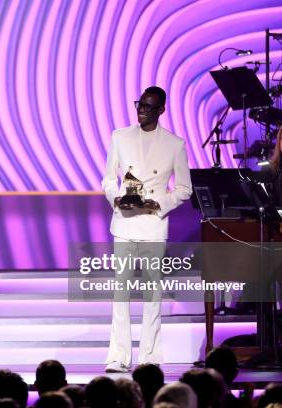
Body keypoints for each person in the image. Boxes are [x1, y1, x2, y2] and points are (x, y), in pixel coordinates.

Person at [102, 86, 192, 372]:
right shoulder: (120, 136)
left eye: (148, 106)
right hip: (125, 223)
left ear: (161, 110)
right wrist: (114, 197)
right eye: (139, 104)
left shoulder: (174, 144)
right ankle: (118, 356)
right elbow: (107, 179)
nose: (141, 110)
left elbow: (184, 189)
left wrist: (158, 203)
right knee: (121, 294)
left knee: (152, 296)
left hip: (153, 225)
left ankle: (150, 358)